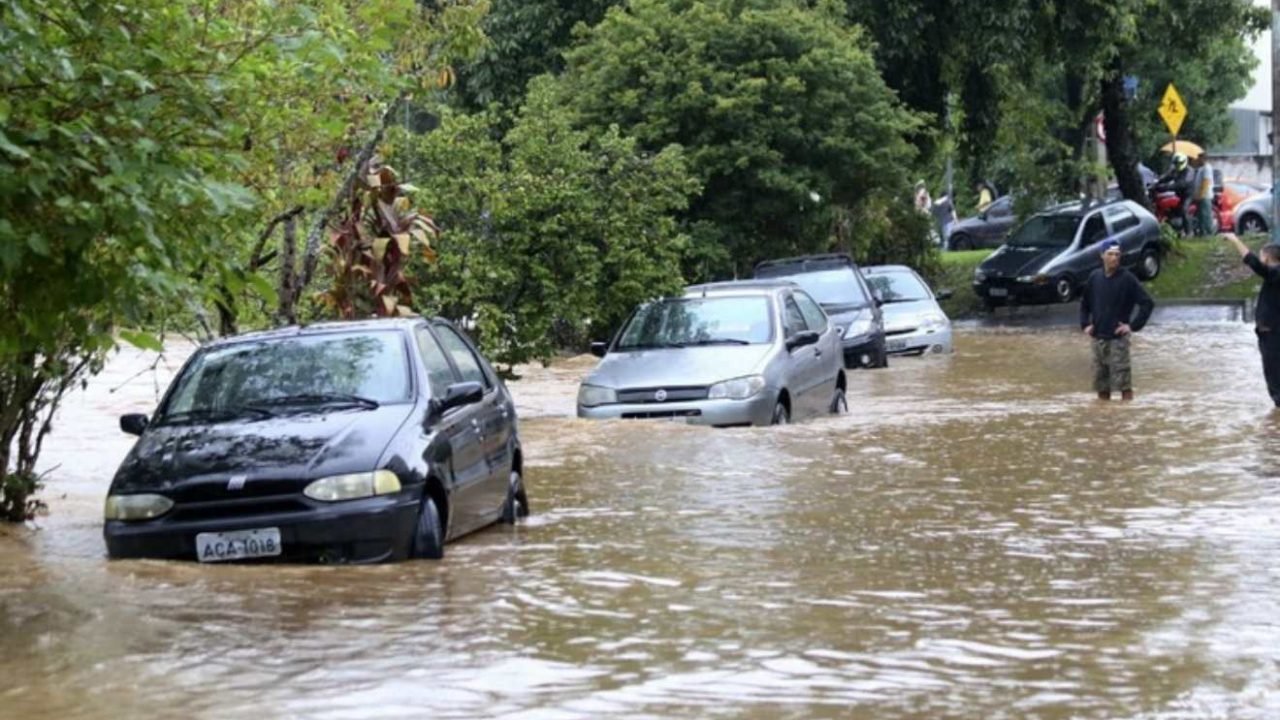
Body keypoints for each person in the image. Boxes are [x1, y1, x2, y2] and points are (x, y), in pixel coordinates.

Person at [1080, 239, 1155, 401]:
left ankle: (1126, 414)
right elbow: (1084, 304)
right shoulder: (1094, 277)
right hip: (1098, 339)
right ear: (1102, 256)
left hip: (1118, 341)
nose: (1114, 258)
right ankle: (1104, 417)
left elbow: (1147, 303)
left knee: (1124, 385)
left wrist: (1132, 326)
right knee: (1101, 385)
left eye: (1117, 255)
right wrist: (1085, 324)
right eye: (1110, 254)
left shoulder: (1127, 278)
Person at [1223, 232, 1280, 407]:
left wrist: (1235, 241)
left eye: (1262, 256)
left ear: (1268, 259)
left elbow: (1253, 263)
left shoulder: (1276, 273)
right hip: (1270, 332)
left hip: (1273, 334)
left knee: (1275, 380)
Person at [1156, 153, 1194, 234]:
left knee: (1184, 210)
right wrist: (1156, 182)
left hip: (1188, 194)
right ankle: (1177, 228)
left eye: (1178, 163)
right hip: (1179, 194)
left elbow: (1181, 184)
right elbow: (1166, 177)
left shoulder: (1189, 171)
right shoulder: (1175, 170)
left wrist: (1165, 187)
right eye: (1176, 163)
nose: (1177, 165)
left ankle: (1189, 232)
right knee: (1171, 208)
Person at [1191, 155, 1216, 236]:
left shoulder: (1207, 168)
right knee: (1201, 216)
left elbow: (1206, 182)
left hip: (1205, 196)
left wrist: (1201, 194)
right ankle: (1202, 232)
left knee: (1206, 215)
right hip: (1200, 196)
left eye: (1199, 158)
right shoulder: (1201, 168)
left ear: (1203, 158)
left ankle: (1209, 232)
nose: (1197, 160)